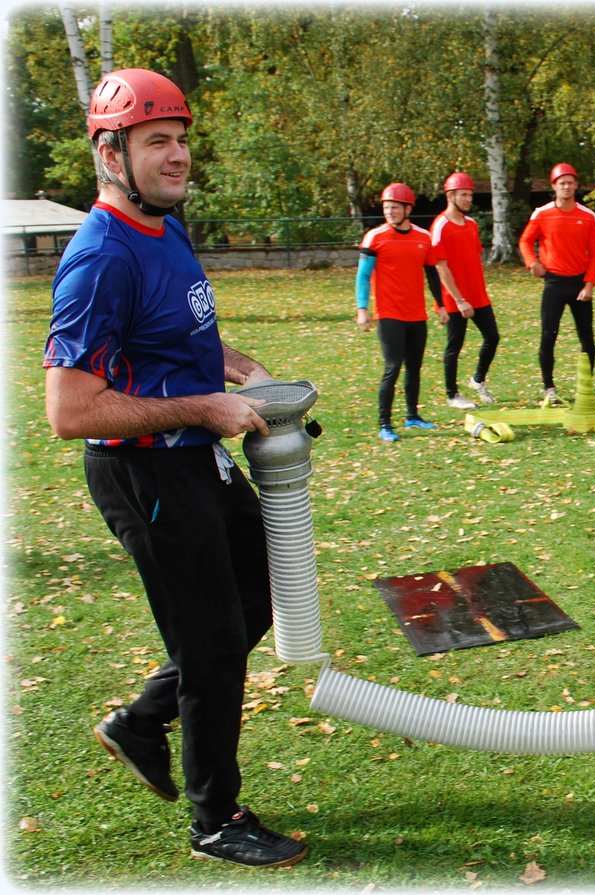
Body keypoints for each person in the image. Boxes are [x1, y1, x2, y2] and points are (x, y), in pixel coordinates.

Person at [43, 68, 309, 867]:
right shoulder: (100, 258)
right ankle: (215, 818)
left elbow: (179, 337)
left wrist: (244, 371)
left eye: (183, 139)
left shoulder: (167, 227)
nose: (178, 155)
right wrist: (202, 408)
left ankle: (139, 721)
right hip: (145, 474)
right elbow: (71, 409)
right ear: (109, 153)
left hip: (197, 456)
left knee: (261, 588)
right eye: (157, 140)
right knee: (213, 642)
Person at [356, 181, 470, 438]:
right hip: (389, 314)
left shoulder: (423, 237)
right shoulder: (375, 237)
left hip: (417, 314)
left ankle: (412, 417)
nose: (390, 212)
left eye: (395, 207)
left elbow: (432, 274)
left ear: (407, 209)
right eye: (386, 207)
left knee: (414, 368)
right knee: (392, 368)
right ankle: (385, 424)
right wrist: (362, 308)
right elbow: (363, 275)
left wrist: (441, 305)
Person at [518, 162, 595, 405]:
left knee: (586, 337)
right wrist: (532, 263)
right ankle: (549, 387)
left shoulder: (588, 216)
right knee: (548, 335)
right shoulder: (542, 214)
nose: (566, 187)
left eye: (570, 183)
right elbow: (525, 241)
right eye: (562, 183)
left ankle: (585, 387)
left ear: (576, 186)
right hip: (553, 283)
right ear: (554, 186)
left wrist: (589, 284)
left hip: (579, 284)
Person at [430, 172, 501, 409]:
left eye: (470, 195)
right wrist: (459, 300)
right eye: (463, 195)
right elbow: (441, 268)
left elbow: (472, 259)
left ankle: (478, 380)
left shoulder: (471, 224)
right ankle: (452, 395)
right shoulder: (440, 226)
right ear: (450, 196)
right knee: (454, 346)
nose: (468, 199)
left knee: (492, 337)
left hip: (478, 295)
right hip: (455, 299)